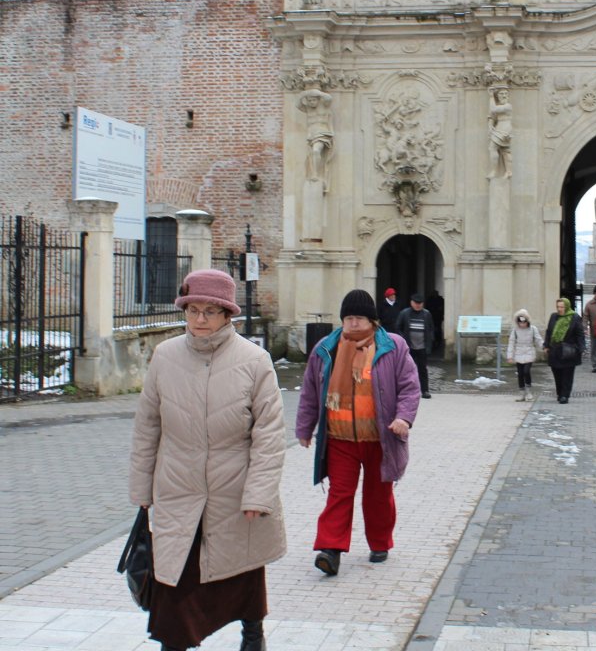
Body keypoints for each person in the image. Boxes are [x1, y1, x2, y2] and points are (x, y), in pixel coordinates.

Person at [129, 269, 286, 651]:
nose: (200, 319)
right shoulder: (165, 357)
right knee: (175, 578)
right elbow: (148, 425)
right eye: (193, 310)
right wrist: (142, 488)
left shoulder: (254, 360)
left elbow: (269, 434)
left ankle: (252, 634)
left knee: (242, 572)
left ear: (228, 315)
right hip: (178, 489)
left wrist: (258, 495)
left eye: (210, 312)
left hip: (234, 491)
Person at [296, 289, 421, 577]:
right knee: (339, 494)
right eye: (349, 318)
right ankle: (330, 550)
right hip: (340, 437)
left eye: (359, 318)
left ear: (372, 320)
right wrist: (304, 428)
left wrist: (404, 417)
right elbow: (310, 393)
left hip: (380, 437)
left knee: (378, 494)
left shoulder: (393, 346)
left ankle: (380, 543)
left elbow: (409, 387)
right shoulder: (326, 348)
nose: (353, 323)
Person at [395, 293, 435, 399]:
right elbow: (398, 327)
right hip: (409, 347)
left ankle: (425, 390)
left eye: (420, 303)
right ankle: (407, 390)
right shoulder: (404, 313)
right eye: (416, 303)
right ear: (411, 303)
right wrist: (403, 340)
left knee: (423, 369)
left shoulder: (426, 314)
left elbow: (430, 329)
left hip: (422, 346)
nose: (418, 305)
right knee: (407, 370)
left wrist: (429, 343)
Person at [545, 297, 584, 404]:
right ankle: (559, 393)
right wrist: (546, 345)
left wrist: (580, 348)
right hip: (555, 349)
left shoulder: (574, 317)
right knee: (557, 373)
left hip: (568, 350)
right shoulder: (554, 317)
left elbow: (579, 334)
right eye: (558, 307)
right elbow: (549, 332)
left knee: (567, 374)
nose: (559, 309)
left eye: (562, 307)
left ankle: (565, 395)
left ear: (567, 306)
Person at [507, 308, 544, 401]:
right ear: (518, 322)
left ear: (527, 321)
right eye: (520, 322)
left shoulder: (533, 329)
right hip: (519, 353)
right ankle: (522, 393)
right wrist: (509, 356)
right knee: (520, 374)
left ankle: (528, 391)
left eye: (524, 322)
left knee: (526, 371)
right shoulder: (515, 330)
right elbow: (511, 342)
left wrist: (544, 347)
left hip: (529, 352)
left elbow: (538, 339)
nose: (522, 324)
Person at [487, 85, 513, 178]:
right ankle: (507, 171)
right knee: (504, 150)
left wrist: (490, 97)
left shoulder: (508, 106)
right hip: (499, 128)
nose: (504, 96)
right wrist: (490, 124)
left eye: (506, 94)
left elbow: (493, 110)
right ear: (497, 96)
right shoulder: (501, 106)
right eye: (501, 94)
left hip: (504, 128)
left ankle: (497, 172)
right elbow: (492, 116)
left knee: (495, 148)